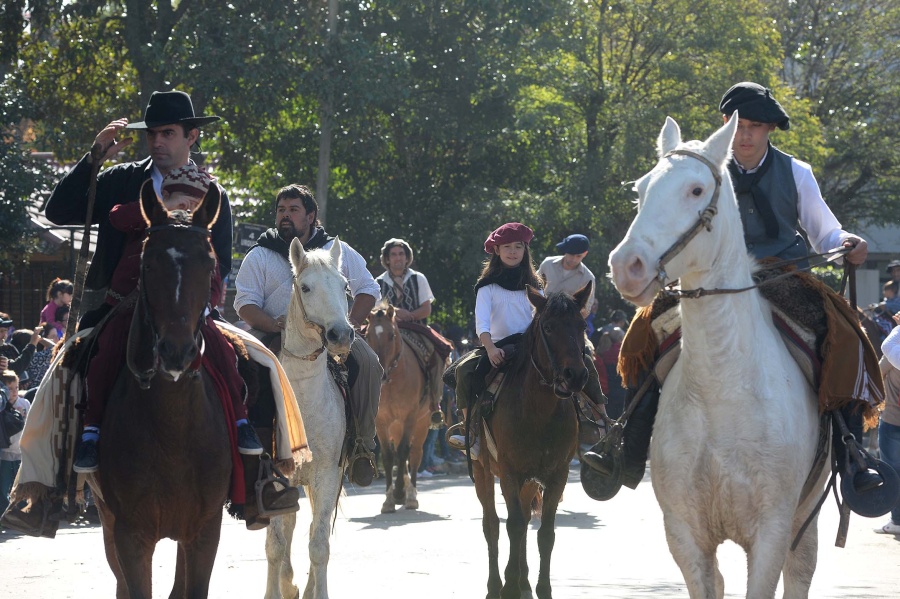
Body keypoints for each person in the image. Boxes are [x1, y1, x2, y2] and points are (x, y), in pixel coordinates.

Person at [583, 81, 876, 496]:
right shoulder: (700, 168)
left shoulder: (796, 172)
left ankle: (852, 460)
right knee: (641, 336)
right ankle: (626, 446)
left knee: (845, 337)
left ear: (770, 129)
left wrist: (847, 242)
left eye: (757, 126)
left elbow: (823, 231)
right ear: (727, 124)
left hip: (783, 275)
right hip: (710, 277)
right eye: (741, 125)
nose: (747, 135)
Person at [71, 164, 263, 474]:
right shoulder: (148, 223)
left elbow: (213, 282)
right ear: (163, 196)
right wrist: (160, 210)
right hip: (127, 308)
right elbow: (116, 215)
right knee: (104, 351)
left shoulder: (202, 241)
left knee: (227, 351)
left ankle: (242, 423)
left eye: (193, 201)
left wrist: (203, 310)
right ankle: (91, 432)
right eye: (178, 197)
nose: (186, 206)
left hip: (190, 316)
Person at [233, 183, 383, 486]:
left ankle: (361, 445)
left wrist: (345, 324)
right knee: (240, 367)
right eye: (281, 210)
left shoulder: (335, 250)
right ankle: (250, 453)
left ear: (311, 215)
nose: (285, 216)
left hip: (332, 332)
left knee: (369, 364)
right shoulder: (260, 254)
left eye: (293, 210)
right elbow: (244, 303)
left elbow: (369, 290)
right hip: (274, 332)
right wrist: (276, 325)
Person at [44, 90, 233, 328]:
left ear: (191, 136)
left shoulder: (212, 193)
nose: (157, 142)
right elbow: (57, 213)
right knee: (79, 360)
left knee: (241, 361)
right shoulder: (119, 179)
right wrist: (92, 161)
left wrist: (196, 308)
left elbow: (222, 261)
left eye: (167, 133)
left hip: (188, 314)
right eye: (151, 133)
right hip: (116, 309)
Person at [447, 223, 607, 458]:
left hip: (531, 344)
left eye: (518, 247)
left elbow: (543, 318)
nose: (513, 252)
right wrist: (490, 348)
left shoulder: (536, 284)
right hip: (499, 346)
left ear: (525, 251)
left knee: (584, 360)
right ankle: (471, 431)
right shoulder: (486, 287)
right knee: (464, 370)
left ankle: (603, 420)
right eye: (507, 247)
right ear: (497, 251)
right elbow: (482, 324)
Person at [375, 238, 451, 426]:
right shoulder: (378, 282)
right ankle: (363, 404)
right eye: (393, 254)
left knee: (437, 350)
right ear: (387, 258)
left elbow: (426, 309)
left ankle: (434, 403)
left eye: (401, 254)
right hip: (387, 328)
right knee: (363, 352)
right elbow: (376, 311)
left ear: (407, 257)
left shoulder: (418, 278)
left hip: (416, 328)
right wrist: (394, 313)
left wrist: (408, 315)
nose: (398, 258)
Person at [875, 312, 900, 534]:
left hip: (893, 419)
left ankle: (897, 521)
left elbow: (878, 372)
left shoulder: (893, 355)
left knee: (893, 471)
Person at [537, 233, 597, 319]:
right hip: (540, 315)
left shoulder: (588, 278)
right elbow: (534, 287)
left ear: (585, 254)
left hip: (566, 322)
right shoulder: (547, 264)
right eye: (571, 254)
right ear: (565, 251)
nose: (574, 259)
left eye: (578, 256)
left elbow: (586, 307)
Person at [1, 371, 30, 517]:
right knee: (3, 487)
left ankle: (21, 515)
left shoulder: (24, 403)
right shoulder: (2, 406)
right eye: (10, 388)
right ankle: (4, 515)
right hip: (5, 453)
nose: (14, 392)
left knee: (21, 487)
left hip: (21, 451)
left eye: (16, 388)